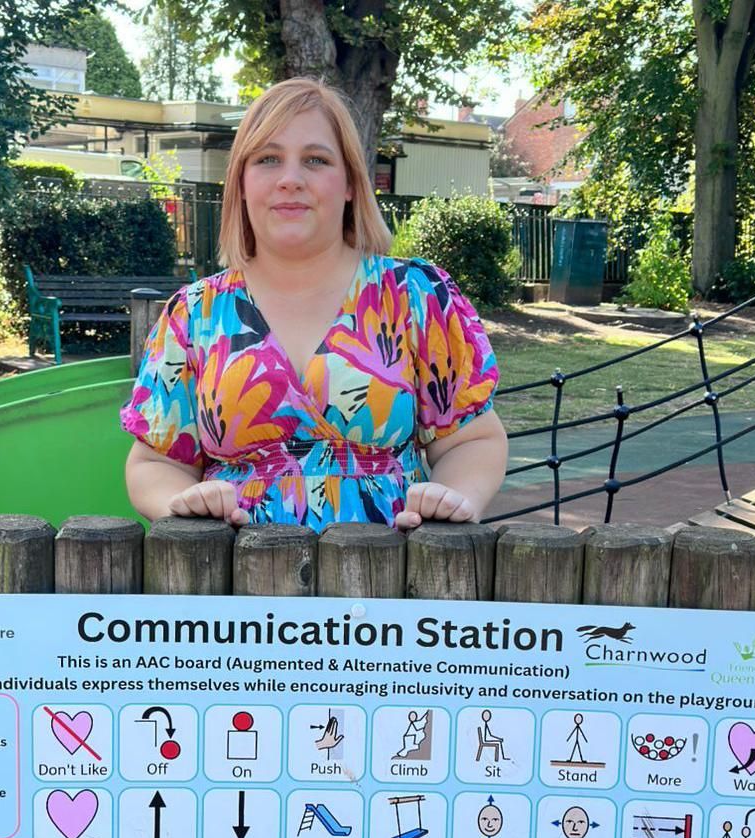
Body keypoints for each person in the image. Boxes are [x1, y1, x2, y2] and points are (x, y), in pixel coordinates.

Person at [121, 78, 507, 529]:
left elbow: (472, 440)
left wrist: (454, 499)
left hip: (391, 579)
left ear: (348, 183)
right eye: (267, 159)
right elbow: (154, 463)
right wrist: (183, 503)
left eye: (315, 160)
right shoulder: (194, 314)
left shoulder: (417, 296)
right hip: (234, 583)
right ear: (241, 184)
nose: (290, 180)